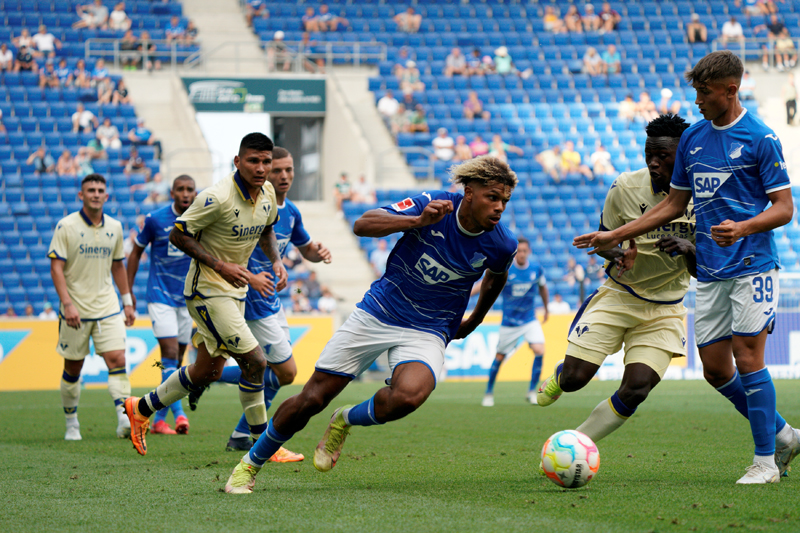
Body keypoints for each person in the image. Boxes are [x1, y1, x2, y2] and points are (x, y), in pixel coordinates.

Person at [223, 155, 519, 493]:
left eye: (504, 201)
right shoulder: (433, 206)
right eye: (492, 197)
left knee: (408, 397)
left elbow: (497, 276)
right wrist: (416, 221)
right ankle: (249, 465)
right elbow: (362, 224)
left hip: (429, 328)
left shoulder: (502, 243)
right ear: (468, 192)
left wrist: (476, 318)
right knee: (312, 399)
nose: (499, 208)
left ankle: (345, 419)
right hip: (380, 310)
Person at [574, 52, 800, 484]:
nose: (696, 100)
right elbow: (672, 205)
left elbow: (784, 208)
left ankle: (765, 462)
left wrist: (745, 226)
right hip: (712, 270)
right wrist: (614, 236)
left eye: (704, 92)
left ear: (730, 90)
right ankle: (786, 435)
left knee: (748, 358)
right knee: (716, 369)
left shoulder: (761, 139)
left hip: (752, 263)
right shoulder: (694, 139)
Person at [539, 114, 697, 452]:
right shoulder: (625, 187)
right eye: (648, 155)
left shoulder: (705, 197)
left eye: (663, 156)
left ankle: (576, 445)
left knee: (637, 387)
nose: (654, 163)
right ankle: (560, 373)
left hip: (666, 309)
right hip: (620, 296)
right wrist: (616, 254)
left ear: (684, 154)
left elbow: (705, 270)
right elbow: (605, 239)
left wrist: (691, 250)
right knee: (574, 380)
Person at [123, 133, 286, 456]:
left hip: (233, 294)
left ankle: (140, 408)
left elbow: (267, 228)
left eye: (266, 161)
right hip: (207, 292)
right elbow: (178, 234)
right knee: (256, 362)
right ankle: (263, 445)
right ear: (238, 161)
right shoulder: (216, 197)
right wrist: (220, 265)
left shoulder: (267, 192)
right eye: (254, 160)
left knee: (206, 371)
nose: (261, 168)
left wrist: (277, 259)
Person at [193, 148, 331, 457]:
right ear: (264, 173)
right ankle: (254, 430)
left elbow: (304, 247)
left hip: (273, 300)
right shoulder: (250, 210)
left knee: (269, 370)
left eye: (289, 170)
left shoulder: (291, 211)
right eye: (277, 170)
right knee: (287, 372)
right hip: (250, 298)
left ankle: (240, 428)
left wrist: (316, 253)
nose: (284, 176)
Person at [48, 174, 136, 442]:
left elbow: (118, 265)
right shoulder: (66, 226)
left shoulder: (116, 227)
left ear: (106, 196)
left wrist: (127, 302)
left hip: (107, 306)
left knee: (118, 360)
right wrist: (67, 304)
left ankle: (124, 419)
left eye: (100, 190)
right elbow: (56, 268)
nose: (96, 194)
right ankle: (72, 423)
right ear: (81, 195)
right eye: (91, 190)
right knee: (73, 368)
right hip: (75, 310)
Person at [126, 175, 196, 435]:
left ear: (195, 193)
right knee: (168, 353)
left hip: (187, 298)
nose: (185, 193)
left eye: (190, 189)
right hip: (160, 294)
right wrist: (128, 292)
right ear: (172, 192)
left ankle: (158, 420)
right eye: (181, 189)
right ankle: (178, 414)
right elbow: (135, 252)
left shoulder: (201, 220)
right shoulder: (156, 219)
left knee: (177, 360)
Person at [481, 236, 549, 407]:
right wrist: (469, 294)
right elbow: (485, 285)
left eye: (525, 251)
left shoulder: (536, 269)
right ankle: (489, 392)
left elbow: (543, 288)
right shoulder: (506, 270)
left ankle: (532, 391)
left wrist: (547, 308)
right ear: (514, 253)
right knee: (499, 357)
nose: (522, 254)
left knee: (539, 350)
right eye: (519, 251)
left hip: (529, 319)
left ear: (529, 252)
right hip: (509, 323)